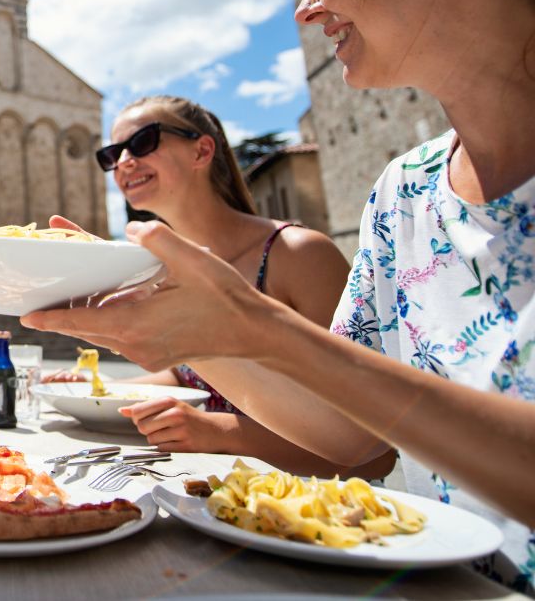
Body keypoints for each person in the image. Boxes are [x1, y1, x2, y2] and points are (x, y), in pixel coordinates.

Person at [23, 0, 535, 591]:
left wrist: (253, 327)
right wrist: (194, 334)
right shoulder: (406, 194)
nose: (306, 4)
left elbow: (370, 452)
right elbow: (348, 428)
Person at [92, 96, 394, 477]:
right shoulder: (164, 269)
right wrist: (92, 387)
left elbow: (375, 453)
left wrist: (220, 431)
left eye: (141, 143)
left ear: (201, 150)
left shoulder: (299, 255)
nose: (123, 162)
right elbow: (188, 376)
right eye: (112, 153)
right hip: (214, 502)